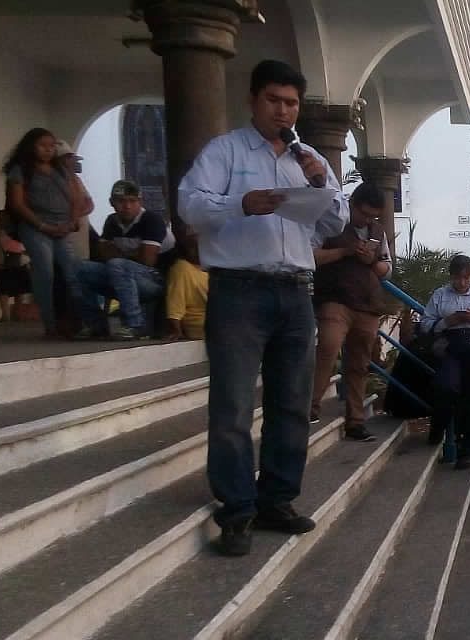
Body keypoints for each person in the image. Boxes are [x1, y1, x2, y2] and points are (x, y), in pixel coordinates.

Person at [177, 59, 348, 557]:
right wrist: (239, 204)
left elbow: (333, 223)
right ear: (254, 101)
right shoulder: (225, 151)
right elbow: (189, 204)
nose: (283, 110)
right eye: (274, 100)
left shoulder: (309, 156)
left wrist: (320, 183)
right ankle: (235, 510)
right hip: (239, 290)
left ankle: (277, 500)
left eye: (291, 103)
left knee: (291, 404)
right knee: (232, 405)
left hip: (295, 291)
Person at [309, 181, 392, 443]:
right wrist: (346, 251)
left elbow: (387, 268)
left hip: (367, 304)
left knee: (359, 364)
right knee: (328, 348)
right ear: (352, 205)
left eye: (372, 216)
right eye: (364, 214)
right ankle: (309, 407)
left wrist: (373, 261)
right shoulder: (331, 222)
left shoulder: (377, 231)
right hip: (335, 299)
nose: (367, 220)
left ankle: (355, 422)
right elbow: (310, 256)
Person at [3, 127, 83, 337]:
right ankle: (50, 324)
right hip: (35, 227)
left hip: (63, 227)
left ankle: (79, 321)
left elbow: (76, 198)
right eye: (42, 145)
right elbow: (17, 203)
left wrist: (72, 222)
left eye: (51, 146)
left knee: (73, 271)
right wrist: (43, 226)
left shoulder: (63, 169)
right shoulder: (20, 170)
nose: (48, 150)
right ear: (31, 147)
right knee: (45, 272)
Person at [422, 254, 470, 469]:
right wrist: (446, 321)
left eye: (466, 278)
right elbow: (426, 324)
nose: (462, 283)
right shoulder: (440, 295)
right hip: (450, 343)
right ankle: (441, 424)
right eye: (457, 278)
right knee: (446, 386)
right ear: (451, 276)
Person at [75, 180, 171, 340]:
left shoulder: (151, 220)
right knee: (79, 269)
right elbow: (103, 255)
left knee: (117, 265)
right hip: (124, 275)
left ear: (140, 202)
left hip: (156, 280)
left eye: (132, 201)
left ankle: (135, 325)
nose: (127, 206)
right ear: (112, 203)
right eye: (121, 201)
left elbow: (148, 260)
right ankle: (96, 325)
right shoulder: (112, 221)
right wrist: (133, 254)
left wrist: (120, 255)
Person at [53, 140, 95, 261]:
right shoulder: (51, 182)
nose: (73, 162)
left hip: (79, 239)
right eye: (69, 158)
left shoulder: (76, 179)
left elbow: (90, 204)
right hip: (64, 238)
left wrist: (76, 215)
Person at [165, 231, 208, 341]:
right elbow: (175, 301)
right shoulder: (182, 268)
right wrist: (176, 330)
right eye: (193, 247)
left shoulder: (212, 268)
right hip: (200, 322)